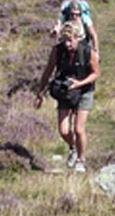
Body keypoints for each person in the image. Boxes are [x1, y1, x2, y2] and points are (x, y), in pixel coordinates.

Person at [35, 20, 100, 172]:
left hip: (84, 91)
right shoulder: (57, 51)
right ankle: (73, 148)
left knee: (78, 129)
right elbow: (48, 71)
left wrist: (79, 83)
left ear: (78, 38)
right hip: (65, 91)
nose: (67, 44)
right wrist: (40, 93)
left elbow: (96, 73)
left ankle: (81, 159)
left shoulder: (88, 51)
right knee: (64, 130)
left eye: (70, 40)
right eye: (64, 40)